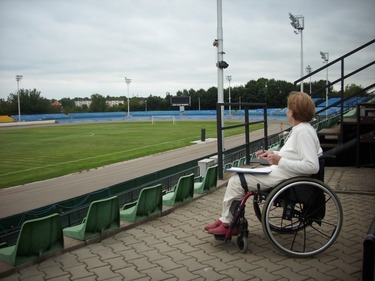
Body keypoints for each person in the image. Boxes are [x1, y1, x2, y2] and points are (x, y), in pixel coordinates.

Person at [205, 91, 323, 236]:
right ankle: (226, 218)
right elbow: (295, 154)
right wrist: (273, 154)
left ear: (292, 112)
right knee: (238, 178)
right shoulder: (303, 129)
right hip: (285, 173)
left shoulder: (302, 132)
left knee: (236, 181)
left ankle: (227, 222)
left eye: (288, 108)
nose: (286, 111)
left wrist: (280, 160)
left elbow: (312, 166)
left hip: (286, 176)